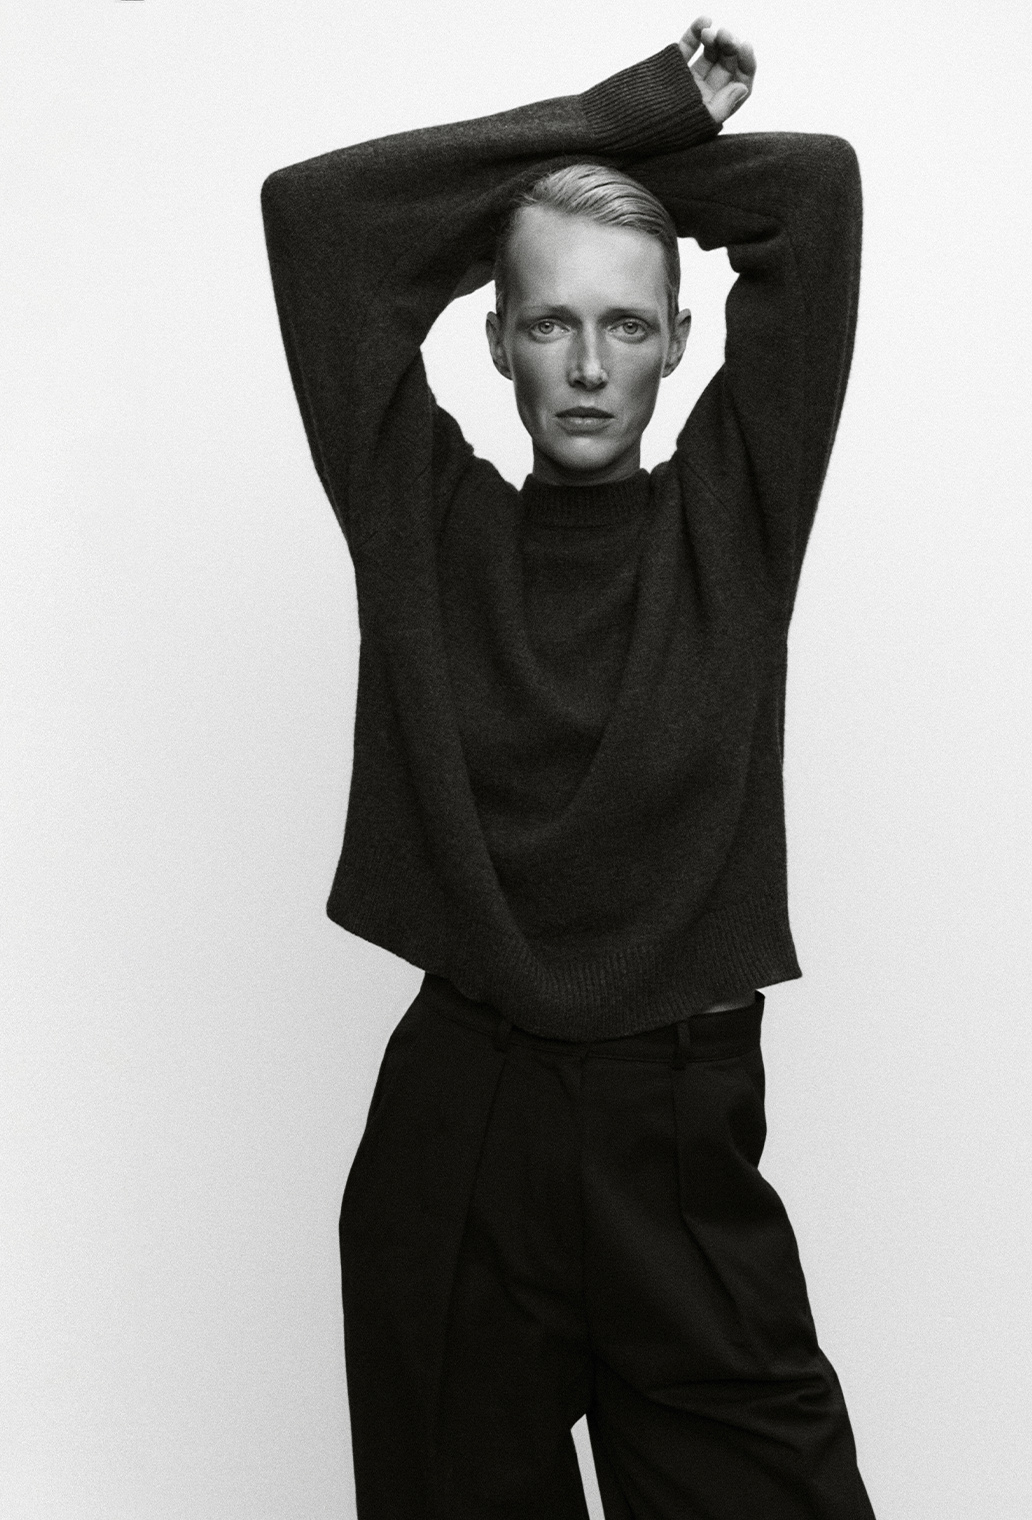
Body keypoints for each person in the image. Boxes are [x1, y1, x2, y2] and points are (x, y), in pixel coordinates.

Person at [261, 15, 872, 1518]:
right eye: (548, 322)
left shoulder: (733, 521)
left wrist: (644, 144)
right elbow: (320, 222)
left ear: (679, 343)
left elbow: (811, 193)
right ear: (494, 340)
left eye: (627, 325)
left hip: (677, 1130)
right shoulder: (425, 528)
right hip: (460, 1127)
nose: (589, 365)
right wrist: (616, 116)